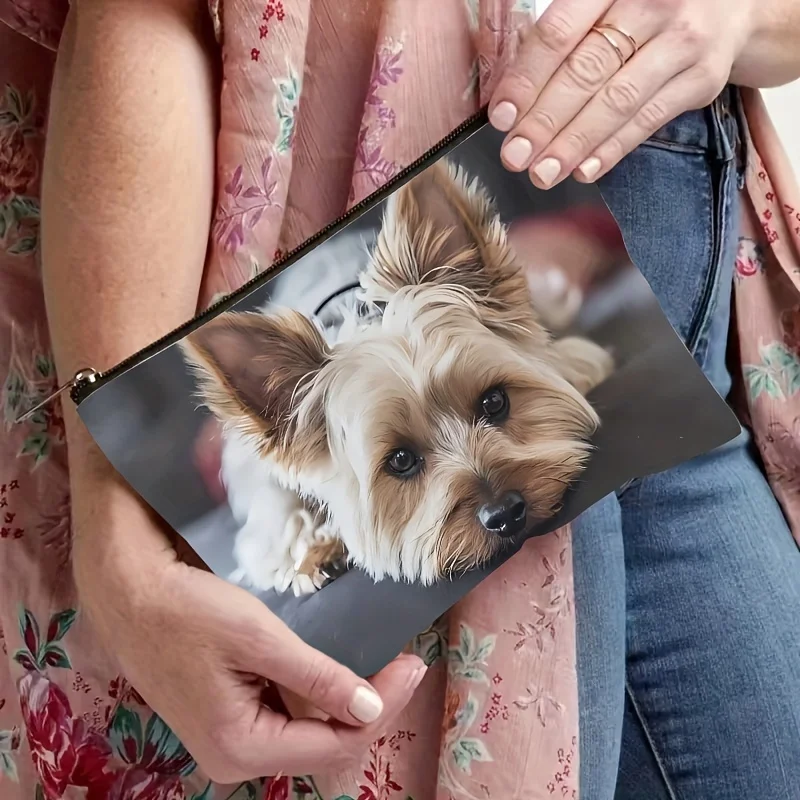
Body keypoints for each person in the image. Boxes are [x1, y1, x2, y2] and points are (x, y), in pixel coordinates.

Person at [1, 1, 799, 798]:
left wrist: (739, 18)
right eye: (407, 457)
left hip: (691, 346)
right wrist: (117, 526)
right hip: (380, 187)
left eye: (487, 407)